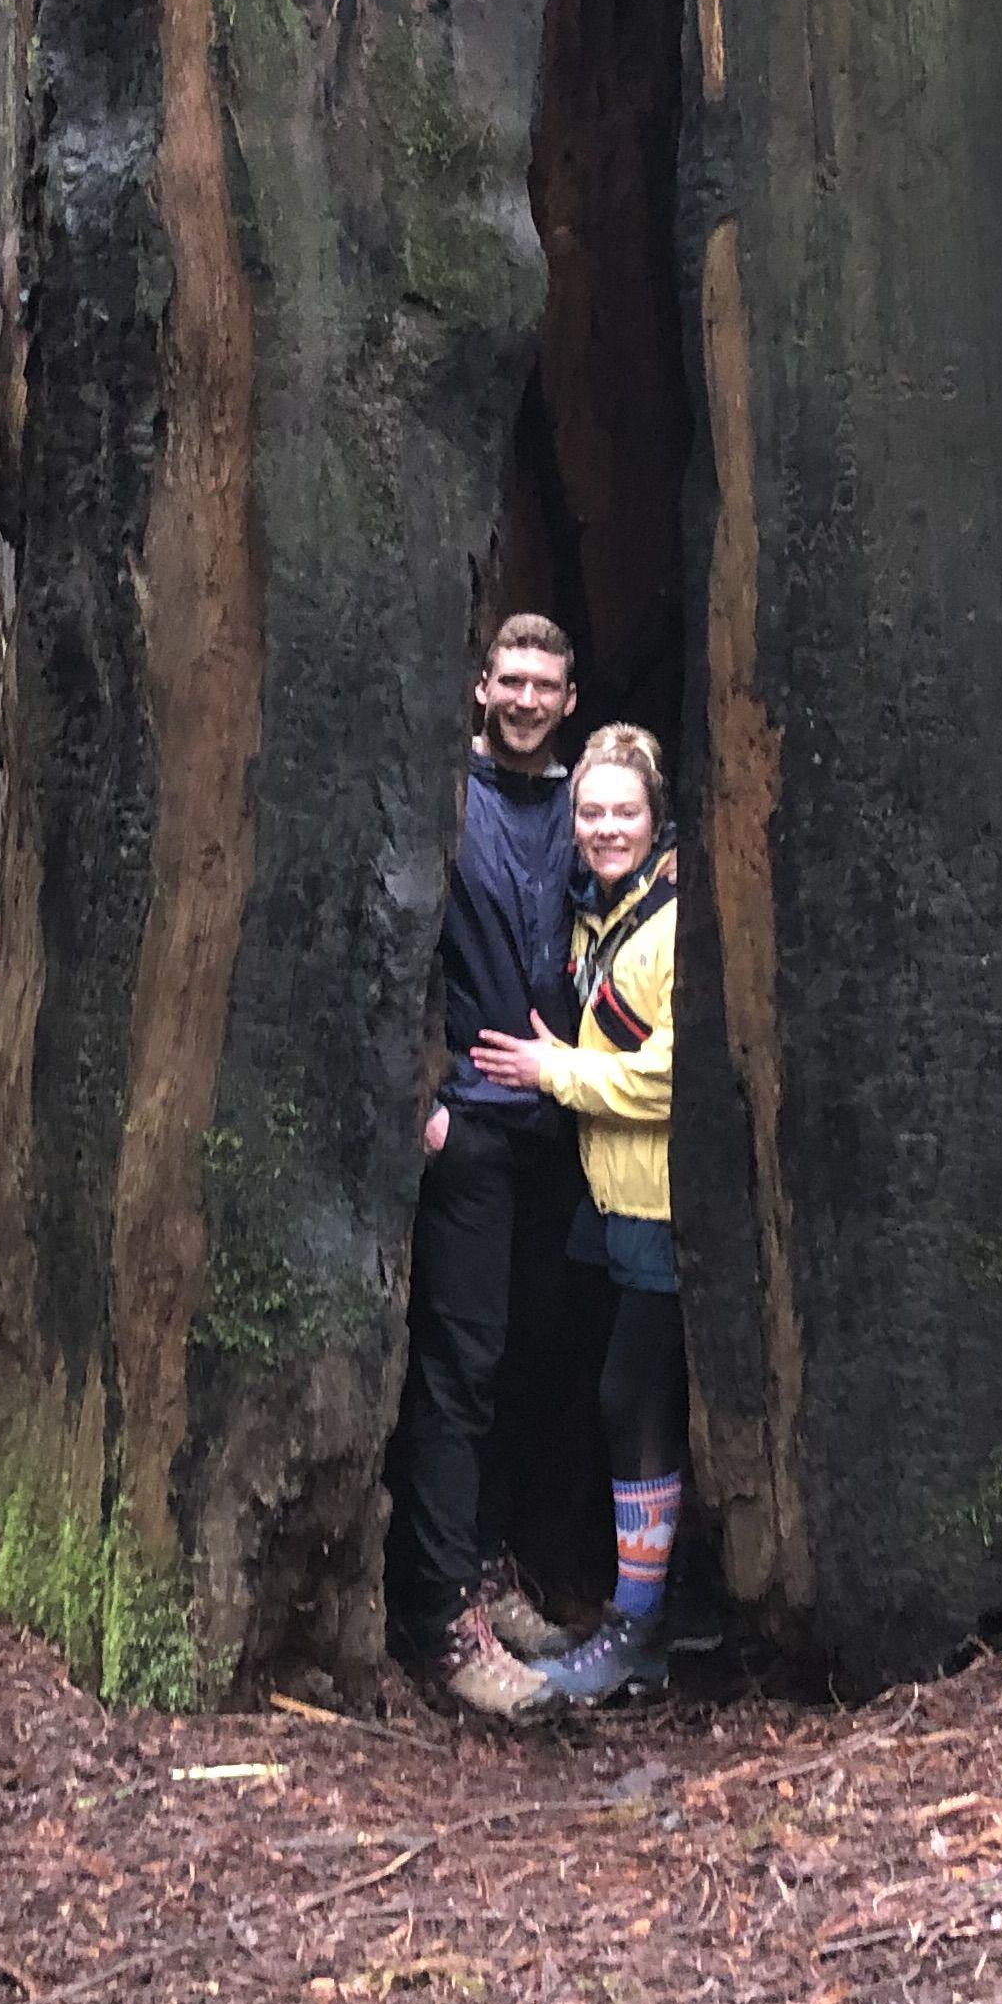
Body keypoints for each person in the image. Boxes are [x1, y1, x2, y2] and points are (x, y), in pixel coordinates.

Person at [390, 613, 591, 1723]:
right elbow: (399, 943)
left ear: (569, 699)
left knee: (523, 1360)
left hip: (561, 1130)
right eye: (509, 679)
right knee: (457, 1369)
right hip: (468, 1127)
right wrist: (425, 1099)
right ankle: (442, 1616)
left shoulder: (583, 807)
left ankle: (489, 1567)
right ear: (480, 686)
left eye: (542, 684)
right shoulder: (444, 799)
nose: (523, 698)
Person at [469, 721, 682, 1708]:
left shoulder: (670, 921)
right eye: (590, 812)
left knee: (637, 1400)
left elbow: (669, 1076)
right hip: (608, 1197)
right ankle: (647, 1607)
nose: (605, 828)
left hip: (661, 1200)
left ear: (655, 815)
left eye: (623, 812)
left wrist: (554, 1070)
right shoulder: (598, 912)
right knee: (612, 1395)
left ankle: (640, 1631)